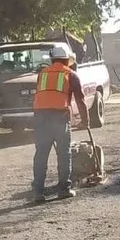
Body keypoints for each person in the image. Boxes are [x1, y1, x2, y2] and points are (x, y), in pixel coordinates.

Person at [31, 46, 89, 203]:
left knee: (41, 155)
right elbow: (80, 99)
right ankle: (64, 189)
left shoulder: (42, 74)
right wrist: (85, 120)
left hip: (40, 118)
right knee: (64, 154)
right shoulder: (70, 74)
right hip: (59, 117)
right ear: (66, 60)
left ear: (52, 60)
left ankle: (37, 192)